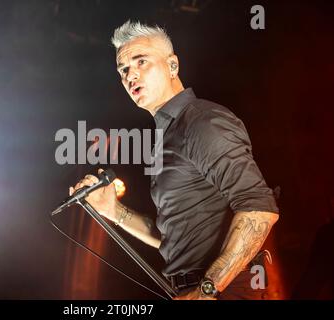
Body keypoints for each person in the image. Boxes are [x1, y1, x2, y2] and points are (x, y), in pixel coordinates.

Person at [69, 20, 279, 300]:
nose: (131, 75)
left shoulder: (202, 122)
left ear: (172, 66)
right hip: (189, 289)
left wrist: (207, 290)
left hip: (227, 290)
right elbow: (173, 239)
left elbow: (259, 209)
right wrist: (114, 211)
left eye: (141, 61)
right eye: (124, 70)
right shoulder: (165, 136)